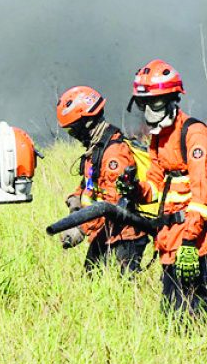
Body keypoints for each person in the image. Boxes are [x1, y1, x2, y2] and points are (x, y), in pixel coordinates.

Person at [120, 59, 207, 317]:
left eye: (154, 103)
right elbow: (156, 185)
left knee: (195, 313)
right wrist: (135, 188)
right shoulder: (158, 137)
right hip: (167, 240)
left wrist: (189, 240)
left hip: (194, 242)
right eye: (144, 104)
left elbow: (204, 195)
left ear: (172, 98)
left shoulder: (194, 134)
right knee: (170, 313)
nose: (149, 111)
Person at [55, 86, 149, 275]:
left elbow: (112, 204)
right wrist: (76, 199)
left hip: (124, 237)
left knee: (122, 293)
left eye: (74, 131)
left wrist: (81, 228)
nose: (74, 136)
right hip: (105, 234)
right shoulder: (97, 149)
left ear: (87, 123)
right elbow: (90, 184)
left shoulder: (114, 154)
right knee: (91, 282)